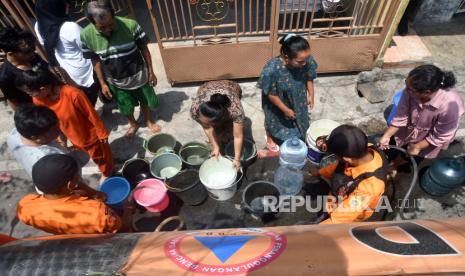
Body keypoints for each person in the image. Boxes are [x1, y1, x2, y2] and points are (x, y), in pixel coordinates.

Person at [15, 67, 114, 182]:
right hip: (72, 136)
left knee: (101, 156)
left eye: (30, 92)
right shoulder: (38, 99)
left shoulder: (73, 94)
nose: (30, 95)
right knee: (90, 155)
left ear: (43, 89)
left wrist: (102, 133)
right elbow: (48, 120)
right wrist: (60, 137)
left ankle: (107, 172)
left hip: (89, 136)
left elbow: (91, 114)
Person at [80, 0, 161, 137]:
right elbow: (95, 60)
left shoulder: (131, 25)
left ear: (113, 15)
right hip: (115, 80)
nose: (108, 30)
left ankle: (148, 120)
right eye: (102, 27)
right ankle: (133, 124)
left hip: (139, 75)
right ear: (92, 23)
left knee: (145, 100)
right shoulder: (86, 36)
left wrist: (151, 72)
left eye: (110, 24)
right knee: (125, 106)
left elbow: (144, 49)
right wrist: (103, 83)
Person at [17, 154, 134, 234]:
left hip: (71, 240)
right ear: (70, 184)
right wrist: (128, 208)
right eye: (77, 176)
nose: (79, 178)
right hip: (100, 239)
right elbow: (123, 228)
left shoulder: (25, 206)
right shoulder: (96, 212)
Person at [379, 65, 465, 167]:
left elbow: (441, 136)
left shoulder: (450, 106)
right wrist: (387, 136)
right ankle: (395, 163)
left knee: (412, 155)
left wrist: (418, 146)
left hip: (429, 137)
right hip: (410, 128)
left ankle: (396, 166)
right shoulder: (410, 90)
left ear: (426, 93)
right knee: (401, 145)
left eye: (410, 89)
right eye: (406, 83)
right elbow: (401, 115)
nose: (406, 89)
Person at [310, 125, 388, 224]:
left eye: (336, 156)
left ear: (347, 159)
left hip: (351, 212)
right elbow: (337, 166)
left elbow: (340, 218)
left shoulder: (370, 188)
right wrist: (320, 172)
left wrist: (311, 232)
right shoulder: (362, 148)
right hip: (339, 196)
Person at [257, 33, 317, 157]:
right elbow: (270, 94)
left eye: (306, 59)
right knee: (273, 120)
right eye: (300, 61)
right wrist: (285, 109)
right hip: (277, 101)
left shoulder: (306, 60)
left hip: (298, 98)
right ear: (286, 57)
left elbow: (309, 77)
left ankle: (295, 135)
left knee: (299, 119)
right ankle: (270, 138)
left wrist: (311, 95)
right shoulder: (271, 69)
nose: (305, 63)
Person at [34, 0, 99, 106]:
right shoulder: (70, 27)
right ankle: (92, 109)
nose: (68, 5)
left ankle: (88, 104)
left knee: (81, 92)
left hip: (65, 68)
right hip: (83, 67)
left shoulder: (38, 25)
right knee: (93, 87)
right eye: (63, 3)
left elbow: (44, 43)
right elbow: (90, 45)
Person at [190, 80, 245, 169]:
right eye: (200, 118)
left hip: (231, 86)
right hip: (206, 87)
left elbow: (238, 136)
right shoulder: (195, 109)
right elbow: (207, 128)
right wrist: (215, 147)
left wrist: (237, 159)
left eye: (207, 122)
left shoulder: (236, 110)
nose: (200, 121)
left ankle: (225, 128)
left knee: (230, 128)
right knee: (216, 132)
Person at [0, 28, 49, 110]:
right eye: (27, 52)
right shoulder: (5, 77)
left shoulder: (32, 58)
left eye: (33, 50)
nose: (32, 53)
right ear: (11, 54)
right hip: (38, 110)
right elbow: (13, 102)